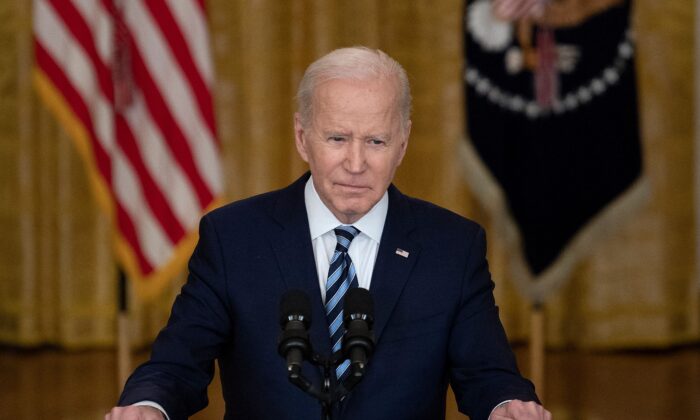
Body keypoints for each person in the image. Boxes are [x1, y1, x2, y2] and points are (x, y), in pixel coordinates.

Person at [106, 47, 551, 420]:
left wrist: (506, 406)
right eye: (337, 138)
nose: (356, 164)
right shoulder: (233, 238)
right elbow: (177, 363)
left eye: (376, 141)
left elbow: (488, 374)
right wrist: (149, 406)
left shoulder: (452, 246)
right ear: (302, 138)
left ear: (403, 142)